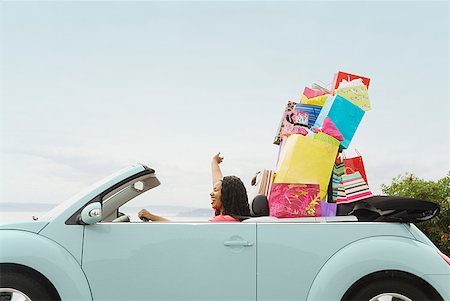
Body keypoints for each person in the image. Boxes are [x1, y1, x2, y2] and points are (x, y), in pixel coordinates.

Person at [138, 152, 250, 222]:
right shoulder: (232, 218)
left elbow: (186, 231)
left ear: (227, 195)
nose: (211, 193)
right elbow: (219, 183)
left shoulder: (223, 221)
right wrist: (214, 162)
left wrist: (151, 216)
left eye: (215, 191)